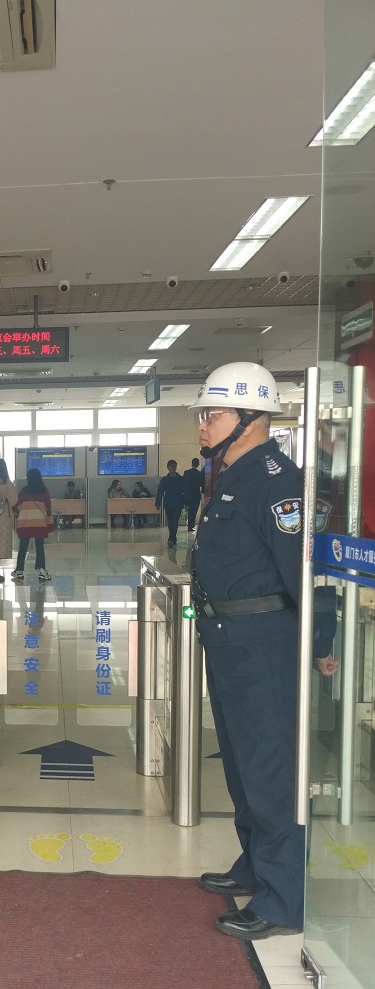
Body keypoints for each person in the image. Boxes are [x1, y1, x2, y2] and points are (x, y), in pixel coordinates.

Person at [189, 362, 336, 941]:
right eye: (204, 414)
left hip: (265, 647)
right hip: (228, 641)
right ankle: (254, 865)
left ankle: (281, 900)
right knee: (241, 763)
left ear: (250, 418)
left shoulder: (276, 481)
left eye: (214, 414)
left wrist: (320, 642)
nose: (204, 424)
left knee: (271, 770)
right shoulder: (232, 475)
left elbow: (304, 571)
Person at [12, 468, 52, 582]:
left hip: (25, 523)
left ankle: (19, 571)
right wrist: (49, 524)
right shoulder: (44, 491)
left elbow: (16, 507)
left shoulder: (24, 491)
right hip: (40, 523)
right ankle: (42, 571)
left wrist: (19, 512)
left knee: (23, 547)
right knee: (40, 547)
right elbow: (48, 508)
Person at [155, 460, 186, 545]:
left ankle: (171, 538)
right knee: (170, 521)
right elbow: (160, 491)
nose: (174, 468)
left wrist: (186, 503)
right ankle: (173, 538)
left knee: (174, 521)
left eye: (175, 466)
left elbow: (185, 491)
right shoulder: (165, 480)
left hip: (178, 503)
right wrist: (158, 502)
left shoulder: (180, 479)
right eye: (172, 466)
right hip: (168, 503)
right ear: (168, 467)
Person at [183, 457, 205, 530]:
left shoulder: (186, 473)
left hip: (188, 495)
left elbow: (183, 484)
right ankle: (191, 525)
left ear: (191, 463)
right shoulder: (199, 474)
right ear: (198, 464)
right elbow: (202, 484)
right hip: (196, 495)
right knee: (194, 511)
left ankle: (190, 525)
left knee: (189, 510)